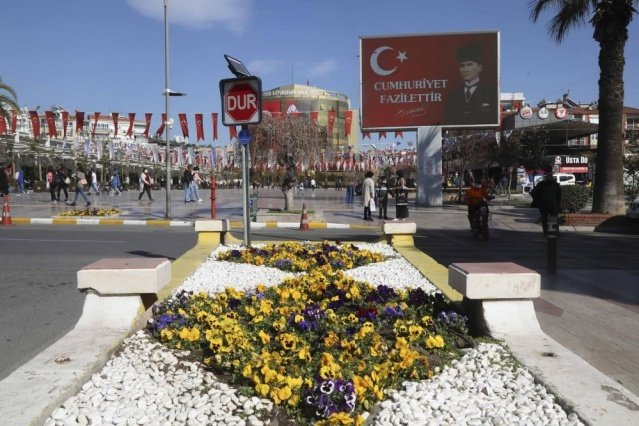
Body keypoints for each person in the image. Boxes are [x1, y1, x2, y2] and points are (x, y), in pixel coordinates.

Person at [443, 42, 497, 125]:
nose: (465, 69)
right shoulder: (452, 97)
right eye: (462, 65)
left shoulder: (491, 93)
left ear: (480, 67)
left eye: (469, 64)